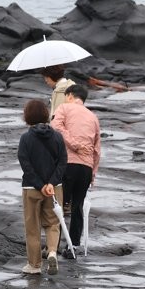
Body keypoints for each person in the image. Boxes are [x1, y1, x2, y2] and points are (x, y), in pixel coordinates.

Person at [18, 99, 67, 275]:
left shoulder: (25, 138)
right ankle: (52, 251)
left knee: (33, 227)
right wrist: (51, 183)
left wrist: (40, 185)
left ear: (28, 116)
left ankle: (34, 265)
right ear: (46, 115)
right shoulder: (57, 136)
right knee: (53, 223)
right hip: (55, 188)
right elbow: (62, 162)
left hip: (31, 188)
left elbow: (25, 164)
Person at [51, 83, 101, 258]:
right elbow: (97, 149)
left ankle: (53, 246)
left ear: (70, 95)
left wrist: (74, 145)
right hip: (86, 168)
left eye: (66, 96)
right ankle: (73, 247)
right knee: (77, 207)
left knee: (58, 205)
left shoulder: (64, 107)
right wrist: (93, 173)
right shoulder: (93, 117)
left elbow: (56, 128)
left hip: (67, 164)